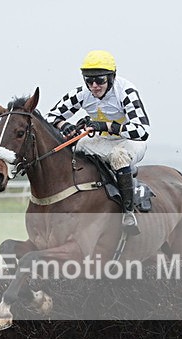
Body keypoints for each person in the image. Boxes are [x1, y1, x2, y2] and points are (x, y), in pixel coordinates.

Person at [46, 50, 150, 235]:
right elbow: (50, 117)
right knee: (70, 147)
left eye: (100, 80)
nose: (94, 86)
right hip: (100, 140)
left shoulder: (126, 92)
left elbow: (142, 131)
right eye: (89, 80)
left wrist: (106, 125)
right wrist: (66, 126)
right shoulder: (81, 93)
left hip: (128, 142)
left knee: (119, 157)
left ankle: (128, 213)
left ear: (111, 77)